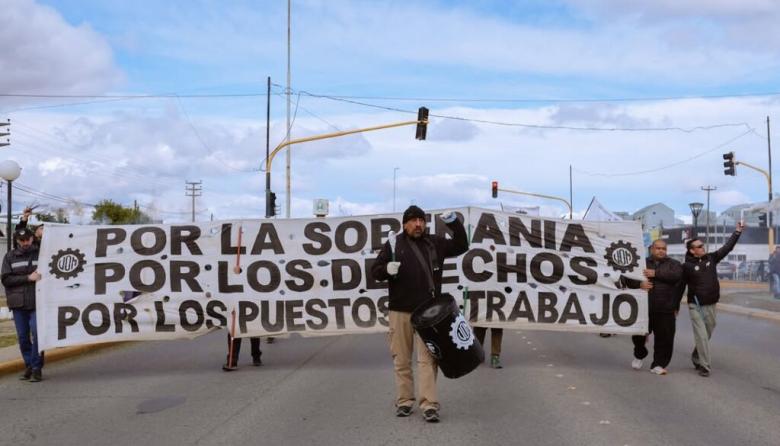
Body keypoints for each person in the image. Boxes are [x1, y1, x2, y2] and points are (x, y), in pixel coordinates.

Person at [371, 205, 468, 423]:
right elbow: (375, 271)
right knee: (402, 359)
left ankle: (429, 405)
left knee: (428, 359)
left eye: (421, 221)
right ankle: (405, 401)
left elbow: (462, 245)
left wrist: (454, 223)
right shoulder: (394, 244)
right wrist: (387, 269)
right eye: (414, 221)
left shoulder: (435, 242)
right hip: (399, 311)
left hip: (428, 314)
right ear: (405, 224)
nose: (418, 225)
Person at [682, 222, 743, 377]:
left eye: (702, 245)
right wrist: (674, 305)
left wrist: (737, 232)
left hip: (711, 304)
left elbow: (727, 247)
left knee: (707, 334)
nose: (703, 247)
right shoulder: (687, 266)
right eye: (699, 246)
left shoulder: (712, 258)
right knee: (701, 336)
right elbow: (679, 286)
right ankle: (705, 366)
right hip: (695, 305)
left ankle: (696, 355)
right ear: (692, 250)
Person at [630, 240, 683, 375]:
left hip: (665, 308)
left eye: (664, 248)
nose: (661, 251)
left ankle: (658, 364)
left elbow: (676, 276)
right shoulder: (640, 263)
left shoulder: (674, 264)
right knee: (638, 336)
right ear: (651, 249)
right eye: (658, 248)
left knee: (665, 338)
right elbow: (628, 279)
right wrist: (639, 284)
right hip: (643, 308)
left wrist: (656, 273)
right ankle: (639, 354)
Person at [2, 227, 43, 381]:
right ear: (17, 241)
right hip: (18, 303)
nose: (25, 242)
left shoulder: (41, 253)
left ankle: (36, 368)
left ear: (32, 238)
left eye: (28, 239)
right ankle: (29, 365)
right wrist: (27, 278)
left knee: (38, 334)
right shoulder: (10, 257)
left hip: (38, 302)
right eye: (22, 240)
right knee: (23, 338)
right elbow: (6, 279)